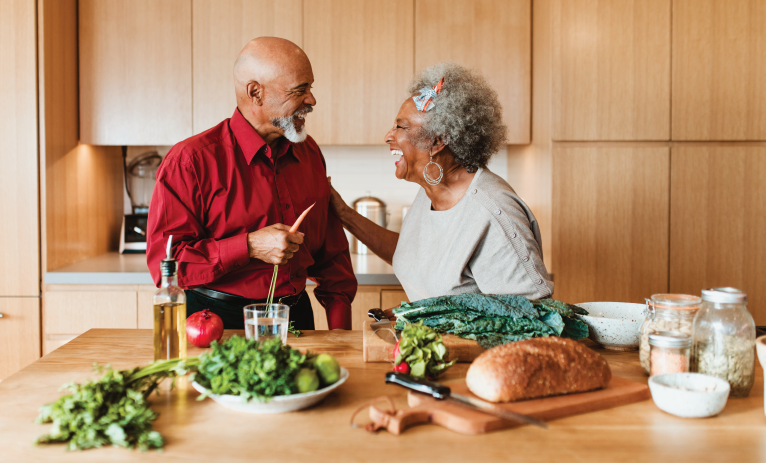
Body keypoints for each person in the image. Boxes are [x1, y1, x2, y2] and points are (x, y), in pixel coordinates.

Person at [146, 37, 357, 330]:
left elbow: (331, 257)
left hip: (297, 319)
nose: (311, 100)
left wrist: (339, 331)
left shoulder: (310, 154)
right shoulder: (189, 161)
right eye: (300, 90)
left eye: (310, 87)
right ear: (255, 92)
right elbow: (165, 266)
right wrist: (249, 246)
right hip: (215, 324)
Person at [329, 62, 552, 303]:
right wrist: (343, 214)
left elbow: (534, 315)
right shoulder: (430, 192)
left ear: (438, 141)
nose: (388, 136)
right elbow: (411, 254)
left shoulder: (492, 212)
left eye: (400, 126)